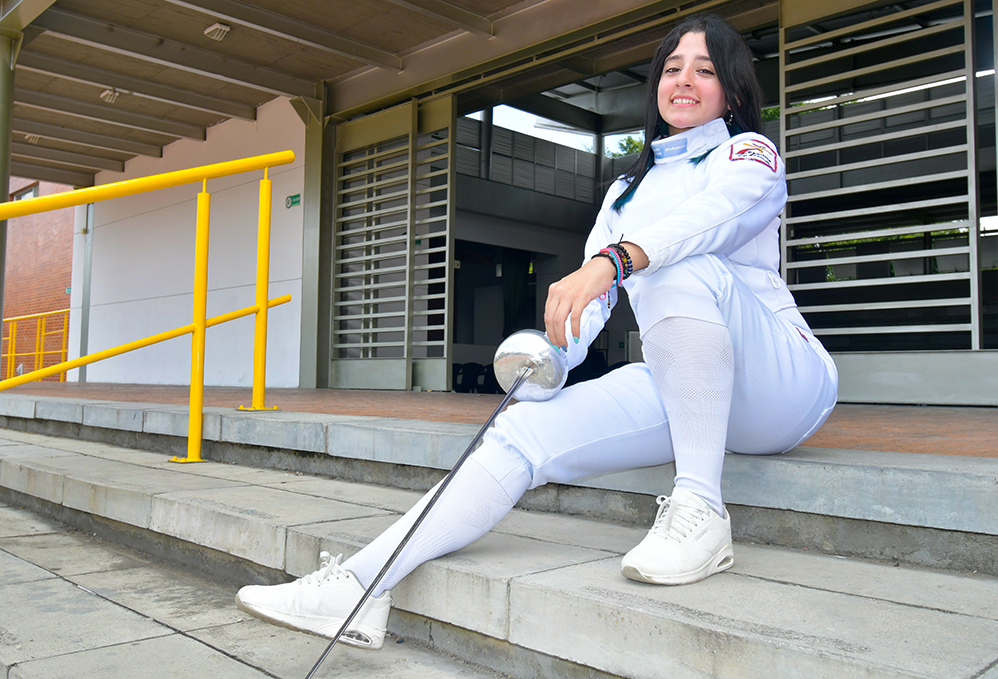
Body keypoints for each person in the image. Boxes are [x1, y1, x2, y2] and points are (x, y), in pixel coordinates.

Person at [234, 13, 838, 651]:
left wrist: (614, 261)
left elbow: (710, 221)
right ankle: (359, 587)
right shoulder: (626, 194)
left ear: (734, 93)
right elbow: (589, 308)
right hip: (689, 386)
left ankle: (701, 509)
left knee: (675, 268)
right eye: (672, 68)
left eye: (705, 70)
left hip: (782, 386)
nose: (683, 80)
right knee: (516, 430)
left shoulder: (749, 156)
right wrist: (549, 357)